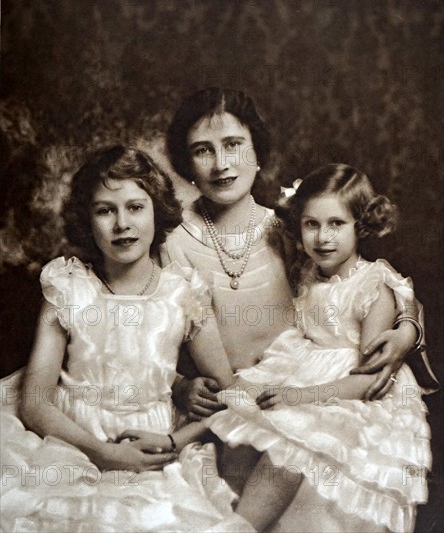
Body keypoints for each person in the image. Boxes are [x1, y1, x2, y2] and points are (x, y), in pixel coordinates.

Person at [0, 146, 253, 532]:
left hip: (153, 448)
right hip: (71, 443)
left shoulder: (182, 292)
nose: (122, 223)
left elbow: (231, 396)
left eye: (135, 207)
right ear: (88, 220)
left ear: (157, 212)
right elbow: (35, 401)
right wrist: (104, 453)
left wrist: (173, 440)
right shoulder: (68, 286)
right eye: (105, 210)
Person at [161, 87, 429, 423]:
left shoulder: (293, 228)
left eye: (233, 145)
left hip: (302, 401)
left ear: (257, 152)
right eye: (203, 150)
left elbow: (367, 283)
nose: (222, 164)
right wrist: (179, 385)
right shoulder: (169, 240)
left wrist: (407, 331)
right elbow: (128, 333)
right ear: (187, 164)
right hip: (220, 411)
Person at [208, 164, 432, 532]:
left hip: (351, 397)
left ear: (360, 226)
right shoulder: (309, 274)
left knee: (293, 449)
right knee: (240, 426)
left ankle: (241, 527)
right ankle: (235, 517)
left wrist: (302, 395)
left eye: (336, 224)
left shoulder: (374, 284)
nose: (323, 237)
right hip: (305, 368)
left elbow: (370, 378)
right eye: (311, 224)